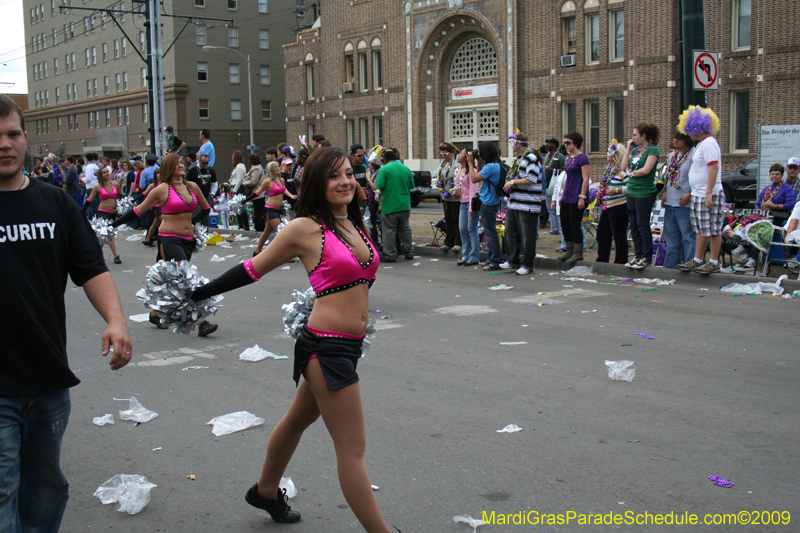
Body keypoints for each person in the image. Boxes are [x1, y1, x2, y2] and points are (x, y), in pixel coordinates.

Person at [189, 147, 393, 533]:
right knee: (352, 449)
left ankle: (266, 491)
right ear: (316, 182)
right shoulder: (304, 228)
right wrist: (201, 292)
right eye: (334, 175)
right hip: (326, 348)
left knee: (299, 418)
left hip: (349, 346)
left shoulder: (354, 222)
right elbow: (252, 268)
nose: (345, 182)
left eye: (349, 174)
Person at [0, 94, 132, 532]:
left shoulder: (55, 203)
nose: (5, 144)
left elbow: (90, 268)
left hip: (48, 378)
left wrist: (115, 320)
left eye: (12, 134)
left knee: (46, 487)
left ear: (25, 138)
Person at [113, 153, 218, 336]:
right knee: (187, 279)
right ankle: (202, 323)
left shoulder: (192, 186)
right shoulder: (161, 189)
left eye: (182, 163)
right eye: (177, 163)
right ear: (169, 167)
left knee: (173, 281)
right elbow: (138, 211)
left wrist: (191, 222)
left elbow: (205, 208)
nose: (181, 165)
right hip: (170, 239)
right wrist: (113, 225)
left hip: (189, 240)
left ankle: (155, 314)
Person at [675, 106, 725, 275]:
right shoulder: (701, 145)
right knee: (701, 228)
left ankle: (714, 261)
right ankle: (697, 259)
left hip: (709, 193)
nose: (688, 133)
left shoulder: (709, 144)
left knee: (713, 228)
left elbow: (713, 168)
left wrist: (708, 193)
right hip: (699, 193)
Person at [501, 133, 543, 275]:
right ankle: (512, 260)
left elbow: (531, 179)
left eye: (512, 143)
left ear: (518, 143)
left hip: (528, 204)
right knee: (510, 232)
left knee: (527, 236)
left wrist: (513, 182)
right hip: (514, 203)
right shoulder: (519, 159)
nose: (511, 146)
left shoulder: (531, 158)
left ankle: (527, 264)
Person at [621, 123, 660, 269]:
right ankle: (637, 254)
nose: (633, 138)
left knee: (642, 225)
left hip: (644, 192)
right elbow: (623, 167)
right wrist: (628, 149)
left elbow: (646, 169)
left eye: (635, 135)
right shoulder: (635, 150)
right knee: (634, 226)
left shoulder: (652, 150)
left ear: (643, 136)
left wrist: (632, 173)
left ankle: (646, 256)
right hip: (632, 191)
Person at [659, 131, 696, 268]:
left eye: (679, 138)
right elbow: (668, 176)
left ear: (686, 140)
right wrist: (665, 191)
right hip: (671, 202)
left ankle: (689, 264)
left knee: (688, 237)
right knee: (671, 239)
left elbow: (698, 177)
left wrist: (690, 194)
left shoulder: (693, 155)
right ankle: (671, 268)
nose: (675, 140)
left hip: (684, 204)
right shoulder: (672, 156)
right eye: (674, 138)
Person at [467, 142, 504, 270]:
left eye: (479, 151)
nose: (478, 153)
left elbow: (474, 179)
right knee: (489, 232)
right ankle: (492, 258)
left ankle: (496, 260)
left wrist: (470, 163)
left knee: (490, 233)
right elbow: (480, 175)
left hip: (489, 203)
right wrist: (478, 161)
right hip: (489, 201)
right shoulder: (493, 165)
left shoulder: (491, 166)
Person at [557, 131, 591, 264]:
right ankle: (569, 250)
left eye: (568, 142)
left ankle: (578, 252)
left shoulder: (583, 158)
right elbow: (567, 178)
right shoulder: (569, 158)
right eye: (565, 142)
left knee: (574, 224)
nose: (566, 145)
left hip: (577, 195)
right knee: (565, 223)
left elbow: (585, 179)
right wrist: (563, 195)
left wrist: (582, 197)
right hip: (568, 195)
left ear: (575, 143)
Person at [250, 160, 297, 255]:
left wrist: (292, 196)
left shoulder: (281, 180)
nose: (278, 168)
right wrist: (245, 200)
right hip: (270, 209)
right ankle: (284, 254)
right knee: (282, 231)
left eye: (278, 166)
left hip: (278, 210)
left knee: (266, 232)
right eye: (276, 167)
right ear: (271, 170)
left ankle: (257, 251)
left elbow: (284, 190)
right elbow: (257, 192)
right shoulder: (268, 182)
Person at [375, 149, 415, 262]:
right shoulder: (405, 168)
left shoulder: (384, 169)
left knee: (389, 230)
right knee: (405, 229)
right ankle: (409, 251)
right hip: (404, 204)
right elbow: (412, 185)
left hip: (390, 205)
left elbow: (379, 186)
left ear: (385, 159)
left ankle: (390, 255)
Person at [594, 141, 630, 264]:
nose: (608, 154)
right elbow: (605, 185)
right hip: (607, 206)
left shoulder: (624, 171)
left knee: (619, 235)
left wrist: (617, 190)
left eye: (611, 152)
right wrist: (601, 192)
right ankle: (602, 259)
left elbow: (631, 187)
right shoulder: (610, 170)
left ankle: (620, 261)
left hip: (619, 206)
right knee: (602, 234)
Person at [83, 167, 122, 264]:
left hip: (113, 213)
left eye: (107, 172)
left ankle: (96, 255)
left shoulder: (116, 184)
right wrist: (82, 211)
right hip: (102, 212)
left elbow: (121, 196)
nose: (106, 173)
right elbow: (89, 200)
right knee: (108, 234)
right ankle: (116, 256)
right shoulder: (97, 187)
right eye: (104, 172)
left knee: (103, 236)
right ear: (100, 175)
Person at [455, 149, 480, 266]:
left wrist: (471, 208)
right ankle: (465, 255)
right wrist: (454, 191)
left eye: (461, 154)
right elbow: (457, 185)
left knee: (471, 230)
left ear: (466, 157)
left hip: (471, 203)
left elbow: (473, 191)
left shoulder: (471, 171)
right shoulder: (458, 170)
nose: (458, 155)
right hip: (462, 202)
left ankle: (474, 257)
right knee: (462, 229)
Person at [436, 142, 462, 253]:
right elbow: (441, 174)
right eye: (442, 154)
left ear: (452, 152)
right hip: (446, 195)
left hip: (455, 196)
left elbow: (459, 177)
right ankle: (448, 241)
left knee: (456, 219)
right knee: (448, 219)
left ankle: (458, 242)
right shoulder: (443, 162)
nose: (443, 156)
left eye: (445, 154)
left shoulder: (457, 162)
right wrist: (438, 179)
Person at [187, 153, 218, 228]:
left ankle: (205, 231)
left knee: (205, 217)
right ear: (199, 161)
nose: (205, 165)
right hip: (195, 197)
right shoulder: (192, 170)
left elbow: (214, 184)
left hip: (206, 197)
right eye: (203, 163)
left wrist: (212, 195)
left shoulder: (211, 171)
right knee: (195, 216)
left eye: (207, 163)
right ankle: (194, 230)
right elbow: (187, 184)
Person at [543, 138, 566, 234]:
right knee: (550, 209)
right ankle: (554, 228)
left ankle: (561, 229)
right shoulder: (546, 157)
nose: (547, 145)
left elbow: (564, 171)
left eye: (550, 143)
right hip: (547, 185)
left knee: (558, 209)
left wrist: (552, 170)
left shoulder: (560, 157)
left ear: (555, 145)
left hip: (556, 186)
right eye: (547, 143)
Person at [242, 152, 268, 232]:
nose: (248, 160)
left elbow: (253, 181)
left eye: (249, 159)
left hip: (258, 194)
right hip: (258, 194)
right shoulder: (256, 167)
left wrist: (244, 183)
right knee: (258, 213)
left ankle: (259, 229)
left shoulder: (256, 168)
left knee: (258, 213)